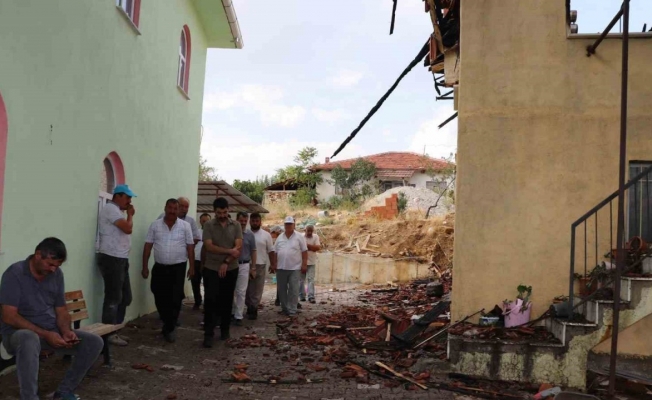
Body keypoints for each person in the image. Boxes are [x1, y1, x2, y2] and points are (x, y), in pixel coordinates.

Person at [0, 238, 104, 400]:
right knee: (29, 337)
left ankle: (63, 392)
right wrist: (45, 334)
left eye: (57, 266)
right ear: (38, 255)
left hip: (50, 333)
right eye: (50, 264)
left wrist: (66, 331)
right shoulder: (14, 274)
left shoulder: (55, 275)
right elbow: (9, 316)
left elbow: (61, 309)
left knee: (94, 342)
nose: (54, 269)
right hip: (17, 335)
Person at [141, 199, 195, 343]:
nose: (172, 211)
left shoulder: (185, 226)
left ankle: (170, 328)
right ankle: (167, 321)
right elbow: (148, 246)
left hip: (178, 268)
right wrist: (145, 266)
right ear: (165, 208)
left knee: (175, 298)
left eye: (175, 208)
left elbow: (190, 247)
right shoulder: (155, 225)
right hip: (160, 267)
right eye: (170, 208)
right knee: (158, 293)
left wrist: (192, 267)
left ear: (178, 210)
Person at [97, 184, 136, 347]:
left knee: (125, 297)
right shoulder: (111, 209)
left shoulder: (117, 211)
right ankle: (108, 334)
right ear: (118, 196)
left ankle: (115, 330)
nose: (129, 201)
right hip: (111, 258)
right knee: (113, 297)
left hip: (120, 258)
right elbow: (127, 228)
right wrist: (130, 215)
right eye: (127, 197)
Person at [201, 197, 242, 347]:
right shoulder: (208, 225)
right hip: (211, 268)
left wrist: (226, 261)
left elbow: (238, 247)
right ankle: (208, 334)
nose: (222, 215)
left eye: (225, 212)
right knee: (211, 301)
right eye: (219, 212)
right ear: (215, 212)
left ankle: (225, 330)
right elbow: (209, 246)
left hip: (231, 268)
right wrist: (228, 251)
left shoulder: (236, 225)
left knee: (226, 300)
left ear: (228, 210)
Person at [272, 217, 307, 317]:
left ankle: (292, 309)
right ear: (284, 225)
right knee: (282, 290)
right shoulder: (280, 237)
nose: (288, 226)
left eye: (290, 224)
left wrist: (304, 264)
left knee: (294, 289)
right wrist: (274, 264)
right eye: (286, 224)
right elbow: (275, 252)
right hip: (281, 267)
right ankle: (284, 308)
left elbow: (304, 251)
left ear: (294, 225)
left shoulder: (299, 237)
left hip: (295, 268)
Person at [245, 213, 276, 320]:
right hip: (246, 265)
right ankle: (249, 306)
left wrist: (273, 264)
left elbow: (271, 250)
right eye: (253, 221)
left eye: (257, 221)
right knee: (246, 289)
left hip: (260, 265)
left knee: (257, 289)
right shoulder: (245, 233)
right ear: (250, 222)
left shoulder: (266, 235)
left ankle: (254, 309)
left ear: (260, 222)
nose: (255, 223)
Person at [232, 212, 257, 326]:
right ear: (236, 220)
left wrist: (253, 267)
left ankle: (238, 316)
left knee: (241, 291)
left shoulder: (250, 235)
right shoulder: (231, 232)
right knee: (231, 290)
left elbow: (253, 251)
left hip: (244, 265)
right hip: (231, 264)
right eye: (241, 220)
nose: (242, 223)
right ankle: (231, 312)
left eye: (244, 221)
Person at [191, 213, 212, 310]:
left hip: (208, 261)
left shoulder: (213, 233)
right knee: (195, 282)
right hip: (196, 261)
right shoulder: (196, 233)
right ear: (200, 221)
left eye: (207, 220)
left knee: (208, 283)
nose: (205, 222)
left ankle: (208, 304)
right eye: (203, 221)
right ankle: (197, 301)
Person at [300, 225, 321, 304]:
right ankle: (301, 296)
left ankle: (311, 296)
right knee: (301, 280)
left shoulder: (315, 237)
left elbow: (318, 248)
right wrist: (312, 248)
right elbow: (300, 248)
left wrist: (307, 246)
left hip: (311, 262)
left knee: (311, 280)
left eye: (311, 231)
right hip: (301, 262)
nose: (309, 233)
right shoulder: (300, 237)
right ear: (304, 230)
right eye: (308, 231)